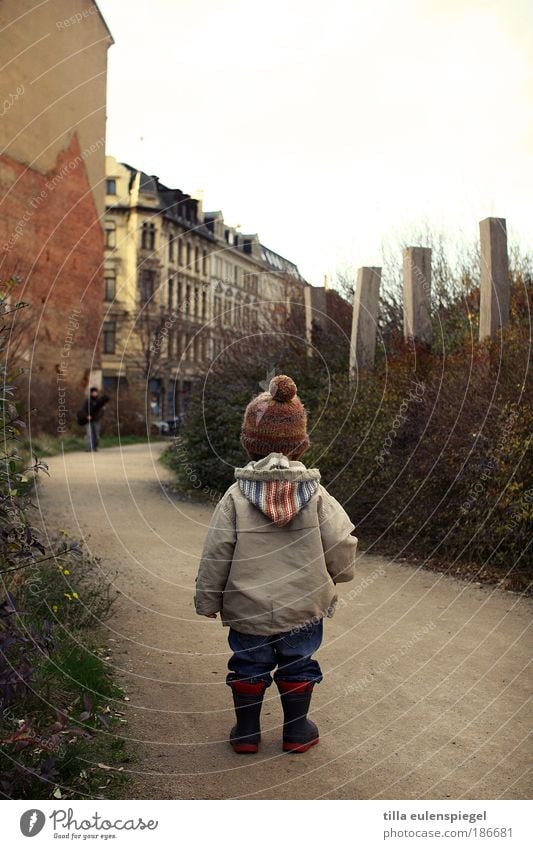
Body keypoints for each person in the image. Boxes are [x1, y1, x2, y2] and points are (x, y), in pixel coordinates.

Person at [194, 374, 358, 754]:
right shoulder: (317, 496)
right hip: (303, 608)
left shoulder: (235, 497)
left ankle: (248, 732)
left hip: (247, 607)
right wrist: (339, 574)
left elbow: (217, 550)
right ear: (299, 445)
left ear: (250, 444)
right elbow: (341, 541)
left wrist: (208, 600)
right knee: (298, 662)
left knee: (248, 664)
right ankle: (297, 731)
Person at [81, 386, 109, 452]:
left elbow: (102, 411)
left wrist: (97, 417)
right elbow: (84, 410)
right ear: (91, 393)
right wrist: (86, 416)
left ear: (97, 393)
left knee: (96, 435)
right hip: (88, 420)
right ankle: (89, 448)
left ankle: (95, 447)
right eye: (93, 392)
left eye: (95, 392)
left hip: (96, 420)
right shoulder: (87, 401)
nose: (94, 394)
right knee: (89, 434)